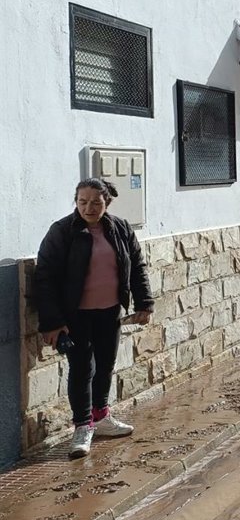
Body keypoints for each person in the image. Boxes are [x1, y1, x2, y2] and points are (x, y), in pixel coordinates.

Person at [34, 178, 153, 459]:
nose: (89, 207)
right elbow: (45, 277)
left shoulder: (120, 228)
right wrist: (52, 322)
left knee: (105, 366)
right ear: (75, 202)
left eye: (96, 202)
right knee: (82, 369)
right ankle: (82, 426)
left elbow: (136, 266)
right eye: (83, 201)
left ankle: (101, 416)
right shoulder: (62, 231)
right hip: (75, 316)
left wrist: (144, 302)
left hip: (110, 311)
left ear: (106, 203)